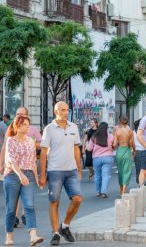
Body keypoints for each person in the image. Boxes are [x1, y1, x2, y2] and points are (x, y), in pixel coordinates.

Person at [39, 101, 82, 245]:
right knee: (54, 201)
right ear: (56, 112)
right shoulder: (49, 129)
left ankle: (64, 226)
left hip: (71, 170)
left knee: (77, 199)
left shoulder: (74, 127)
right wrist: (43, 174)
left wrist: (79, 167)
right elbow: (44, 152)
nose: (66, 112)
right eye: (62, 110)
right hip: (54, 170)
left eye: (67, 110)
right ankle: (55, 233)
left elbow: (76, 149)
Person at [3, 116, 44, 246]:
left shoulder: (30, 141)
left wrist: (37, 179)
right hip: (12, 175)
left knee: (29, 206)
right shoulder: (10, 141)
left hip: (29, 175)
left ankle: (33, 236)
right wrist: (20, 175)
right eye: (25, 124)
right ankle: (9, 235)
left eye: (28, 124)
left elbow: (32, 161)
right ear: (17, 126)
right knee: (11, 208)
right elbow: (11, 160)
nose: (28, 127)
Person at [87, 122, 114, 198]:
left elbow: (89, 148)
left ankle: (98, 191)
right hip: (108, 158)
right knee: (105, 175)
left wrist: (86, 147)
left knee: (97, 175)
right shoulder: (111, 136)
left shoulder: (94, 137)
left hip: (96, 158)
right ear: (107, 128)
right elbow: (115, 146)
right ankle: (104, 192)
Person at [114, 116, 135, 194]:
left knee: (120, 171)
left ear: (120, 122)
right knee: (127, 171)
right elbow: (132, 143)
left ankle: (120, 188)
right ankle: (124, 190)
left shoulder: (117, 131)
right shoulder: (130, 131)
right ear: (127, 122)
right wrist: (134, 151)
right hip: (127, 150)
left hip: (119, 151)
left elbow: (114, 144)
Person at [133, 119, 144, 184]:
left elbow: (132, 142)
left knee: (138, 168)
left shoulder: (133, 132)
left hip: (137, 151)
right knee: (145, 167)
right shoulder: (144, 132)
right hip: (145, 150)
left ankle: (139, 183)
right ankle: (144, 182)